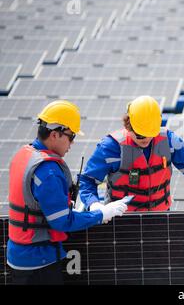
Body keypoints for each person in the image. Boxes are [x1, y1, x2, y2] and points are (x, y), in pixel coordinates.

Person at [7, 100, 128, 285]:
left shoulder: (23, 155)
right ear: (55, 134)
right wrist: (101, 213)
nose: (71, 144)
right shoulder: (47, 172)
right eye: (71, 137)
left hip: (18, 257)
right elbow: (63, 222)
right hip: (39, 263)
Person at [79, 95, 184, 213]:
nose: (146, 139)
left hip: (160, 219)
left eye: (151, 133)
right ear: (128, 125)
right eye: (140, 135)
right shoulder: (111, 147)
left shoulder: (168, 140)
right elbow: (86, 181)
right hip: (121, 222)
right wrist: (94, 204)